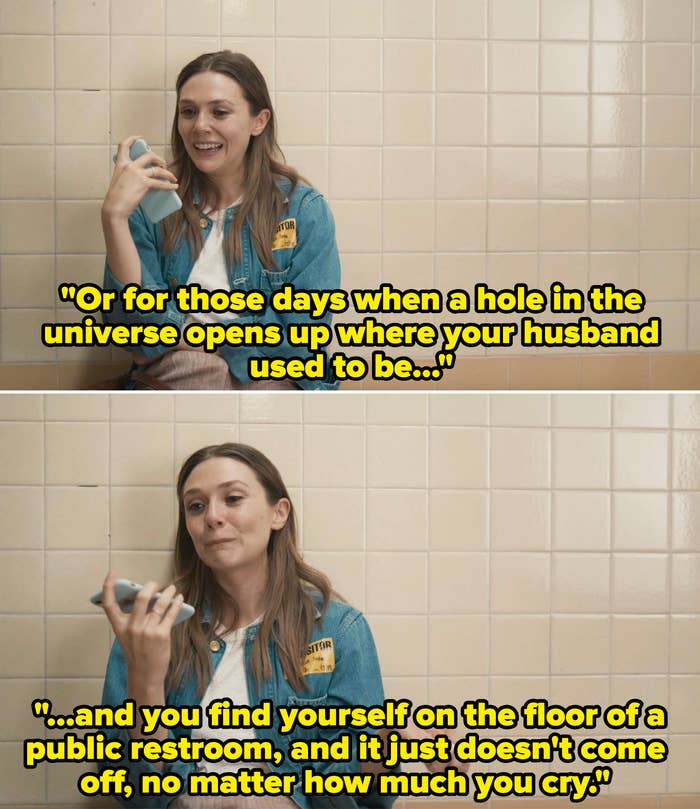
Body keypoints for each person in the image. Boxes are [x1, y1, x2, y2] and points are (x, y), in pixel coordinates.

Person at [99, 443, 390, 809]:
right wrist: (147, 685)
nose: (212, 517)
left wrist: (387, 746)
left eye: (233, 498)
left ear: (278, 513)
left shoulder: (339, 630)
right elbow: (128, 789)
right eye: (196, 506)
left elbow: (363, 797)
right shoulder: (150, 630)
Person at [101, 51, 340, 390]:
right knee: (199, 370)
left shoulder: (303, 211)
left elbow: (302, 340)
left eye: (220, 112)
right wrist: (114, 218)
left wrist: (189, 333)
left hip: (273, 382)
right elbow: (134, 336)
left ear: (259, 121)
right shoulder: (147, 205)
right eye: (188, 112)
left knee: (264, 382)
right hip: (184, 381)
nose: (200, 126)